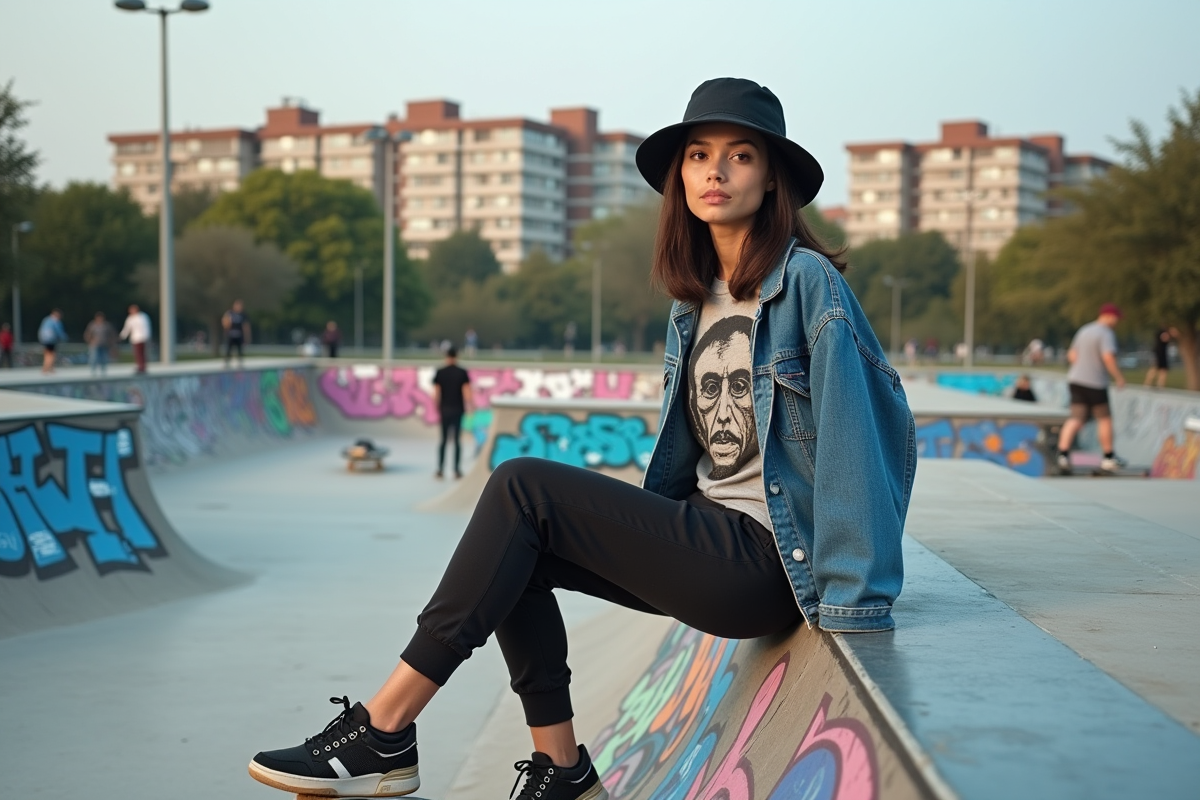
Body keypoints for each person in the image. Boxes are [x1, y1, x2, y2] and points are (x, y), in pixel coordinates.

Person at [247, 78, 915, 800]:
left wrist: (854, 608)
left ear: (772, 177)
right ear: (679, 176)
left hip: (764, 562)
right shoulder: (694, 303)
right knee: (519, 550)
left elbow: (865, 435)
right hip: (710, 536)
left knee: (520, 487)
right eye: (697, 156)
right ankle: (562, 771)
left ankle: (386, 726)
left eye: (740, 156)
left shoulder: (808, 283)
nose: (715, 173)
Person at [1057, 303, 1127, 474]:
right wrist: (1118, 378)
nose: (1116, 323)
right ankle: (1108, 457)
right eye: (1116, 319)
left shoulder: (1084, 330)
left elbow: (1072, 355)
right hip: (1096, 383)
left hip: (1075, 380)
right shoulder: (1106, 333)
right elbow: (1108, 357)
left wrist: (1083, 366)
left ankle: (1063, 454)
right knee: (1104, 419)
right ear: (1110, 316)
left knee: (1076, 418)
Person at [432, 346, 472, 479]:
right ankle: (456, 470)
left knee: (443, 440)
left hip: (445, 409)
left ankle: (440, 469)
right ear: (457, 356)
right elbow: (466, 392)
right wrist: (471, 406)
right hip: (458, 409)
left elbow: (436, 393)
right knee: (456, 441)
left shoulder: (440, 372)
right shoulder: (462, 372)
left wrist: (436, 407)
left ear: (446, 357)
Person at [119, 304, 152, 374]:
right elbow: (127, 328)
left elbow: (146, 327)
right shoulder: (130, 318)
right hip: (135, 338)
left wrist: (147, 337)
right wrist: (122, 336)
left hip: (142, 338)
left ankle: (142, 367)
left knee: (142, 353)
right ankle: (140, 366)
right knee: (137, 353)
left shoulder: (142, 317)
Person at [84, 312, 117, 377]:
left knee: (104, 358)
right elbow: (88, 333)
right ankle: (93, 371)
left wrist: (112, 343)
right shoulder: (92, 325)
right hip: (95, 344)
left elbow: (112, 334)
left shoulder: (106, 325)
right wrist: (89, 341)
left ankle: (103, 371)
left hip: (104, 344)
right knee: (94, 358)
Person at [223, 300, 251, 368]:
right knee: (229, 349)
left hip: (239, 334)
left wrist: (247, 335)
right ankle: (227, 362)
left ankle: (240, 362)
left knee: (240, 349)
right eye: (237, 306)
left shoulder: (243, 315)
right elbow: (225, 322)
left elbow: (245, 325)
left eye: (239, 306)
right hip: (231, 334)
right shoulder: (230, 313)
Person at [37, 309, 67, 373]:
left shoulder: (46, 320)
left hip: (44, 340)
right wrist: (64, 338)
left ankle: (46, 368)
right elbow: (59, 331)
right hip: (51, 340)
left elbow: (41, 330)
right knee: (52, 354)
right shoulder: (55, 321)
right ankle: (49, 368)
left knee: (46, 354)